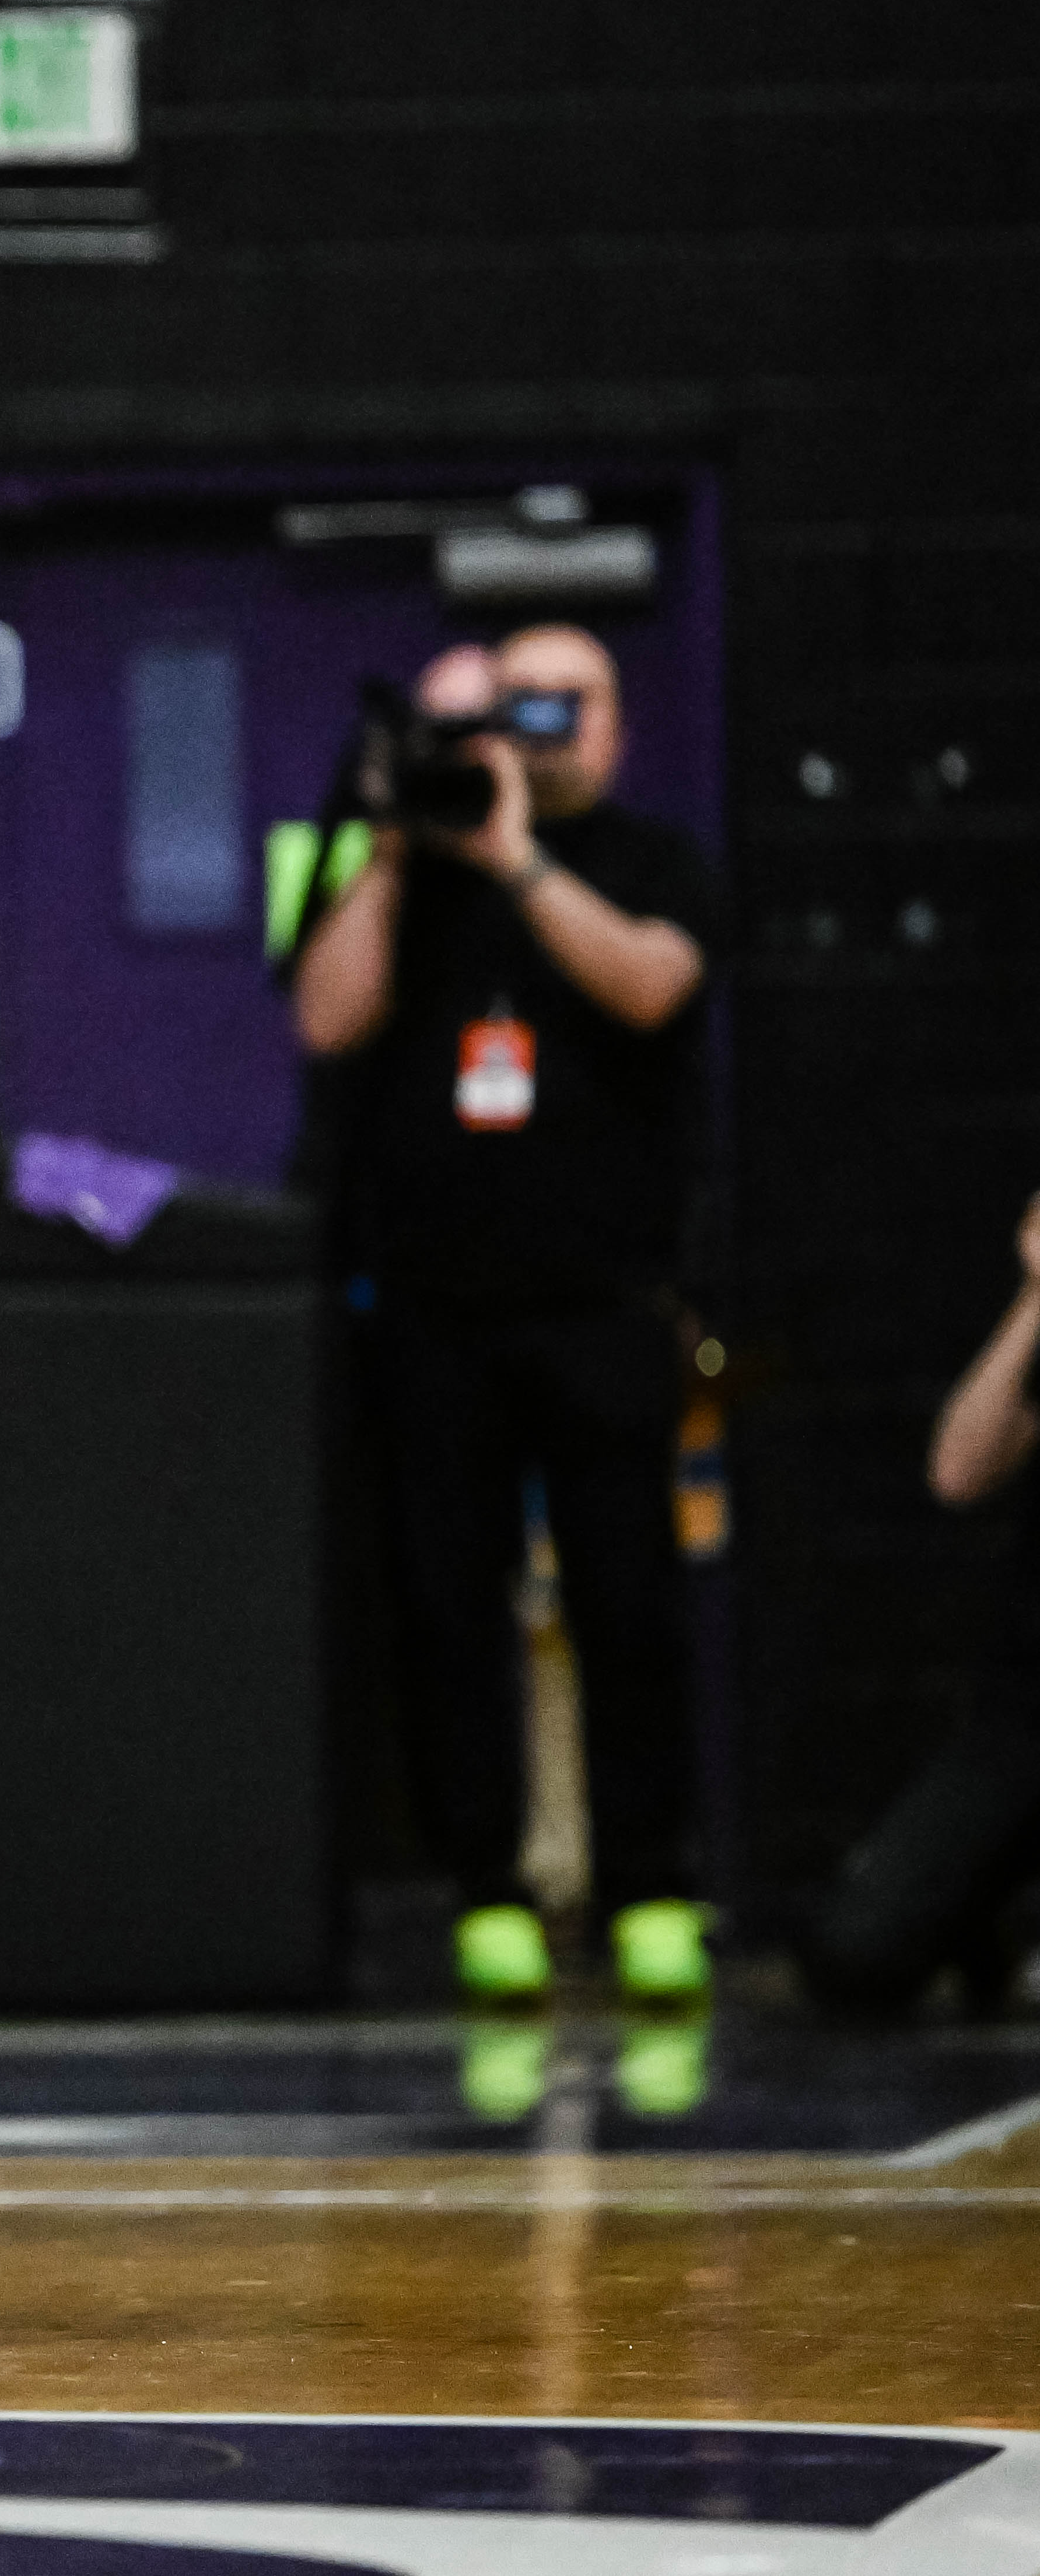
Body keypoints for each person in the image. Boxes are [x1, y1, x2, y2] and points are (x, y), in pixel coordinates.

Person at [293, 622, 717, 2006]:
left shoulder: (646, 861)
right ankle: (488, 1890)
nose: (526, 734)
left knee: (627, 1601)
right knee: (443, 1602)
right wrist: (399, 841)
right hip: (432, 1313)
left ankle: (647, 1884)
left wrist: (518, 856)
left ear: (612, 721)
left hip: (601, 1306)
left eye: (559, 703)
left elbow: (654, 985)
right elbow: (327, 1018)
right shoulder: (400, 871)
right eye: (494, 714)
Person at [804, 1191, 1040, 2013]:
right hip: (1027, 1718)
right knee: (854, 1954)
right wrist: (1035, 1296)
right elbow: (957, 1472)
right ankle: (978, 1913)